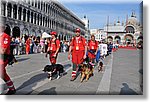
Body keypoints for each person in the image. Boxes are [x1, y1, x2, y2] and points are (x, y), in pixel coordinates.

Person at [0, 23, 16, 95]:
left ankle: (12, 88)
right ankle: (12, 88)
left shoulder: (5, 36)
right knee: (3, 74)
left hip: (3, 58)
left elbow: (3, 50)